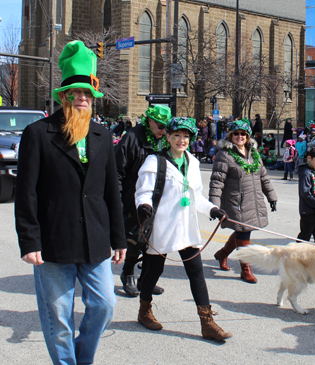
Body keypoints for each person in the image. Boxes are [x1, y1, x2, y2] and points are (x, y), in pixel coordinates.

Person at [15, 40, 127, 364]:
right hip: (52, 243)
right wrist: (29, 241)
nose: (82, 99)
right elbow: (26, 193)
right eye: (76, 93)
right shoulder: (38, 134)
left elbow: (111, 191)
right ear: (63, 97)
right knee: (59, 319)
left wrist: (119, 238)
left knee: (105, 305)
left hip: (95, 240)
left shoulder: (102, 136)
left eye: (87, 94)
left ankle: (82, 359)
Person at [134, 116, 231, 341]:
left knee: (196, 272)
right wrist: (144, 206)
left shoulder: (193, 162)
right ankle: (144, 309)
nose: (181, 140)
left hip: (187, 227)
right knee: (153, 271)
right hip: (163, 225)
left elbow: (196, 195)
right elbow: (143, 192)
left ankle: (207, 322)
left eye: (186, 136)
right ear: (167, 136)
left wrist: (213, 210)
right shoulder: (154, 161)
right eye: (176, 135)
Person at [210, 120, 278, 283]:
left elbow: (263, 177)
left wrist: (271, 197)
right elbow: (217, 182)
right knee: (243, 232)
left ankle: (222, 254)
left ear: (248, 136)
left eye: (243, 134)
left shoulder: (254, 153)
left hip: (253, 200)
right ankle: (245, 268)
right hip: (236, 202)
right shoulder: (224, 154)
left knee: (243, 231)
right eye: (236, 134)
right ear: (230, 136)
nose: (239, 137)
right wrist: (214, 206)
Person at [115, 105, 171, 297]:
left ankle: (146, 279)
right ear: (149, 121)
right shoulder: (132, 137)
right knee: (136, 238)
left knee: (156, 240)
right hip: (135, 196)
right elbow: (117, 171)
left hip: (160, 197)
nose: (163, 130)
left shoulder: (165, 140)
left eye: (166, 126)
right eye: (160, 126)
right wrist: (121, 201)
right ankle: (127, 273)